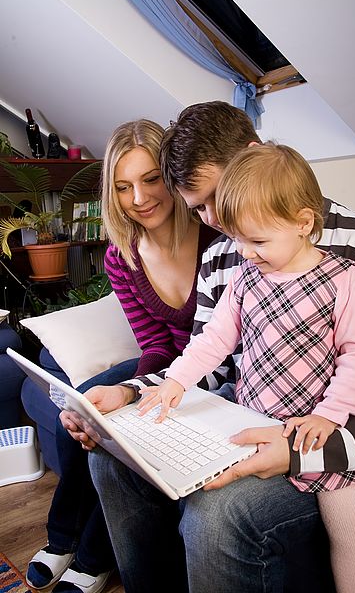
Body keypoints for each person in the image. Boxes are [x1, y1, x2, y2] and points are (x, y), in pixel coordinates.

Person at [82, 100, 355, 593]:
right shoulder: (226, 257)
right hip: (253, 414)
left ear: (254, 157)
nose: (218, 224)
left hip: (342, 435)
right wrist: (133, 393)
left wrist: (303, 449)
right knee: (112, 456)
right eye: (201, 209)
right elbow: (212, 355)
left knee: (217, 513)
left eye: (218, 198)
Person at [138, 142, 355, 593]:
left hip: (314, 434)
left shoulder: (343, 279)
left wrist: (330, 416)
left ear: (304, 223)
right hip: (250, 424)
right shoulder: (245, 279)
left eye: (259, 240)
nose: (246, 252)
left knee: (351, 538)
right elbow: (213, 341)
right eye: (238, 240)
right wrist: (177, 380)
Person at [26, 118, 217, 593]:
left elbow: (218, 344)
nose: (139, 198)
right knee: (84, 406)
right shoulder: (121, 255)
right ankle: (61, 539)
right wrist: (130, 391)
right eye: (123, 186)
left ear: (173, 175)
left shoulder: (216, 236)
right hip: (161, 361)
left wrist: (138, 396)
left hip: (205, 368)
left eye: (151, 179)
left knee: (114, 429)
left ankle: (92, 559)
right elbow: (152, 342)